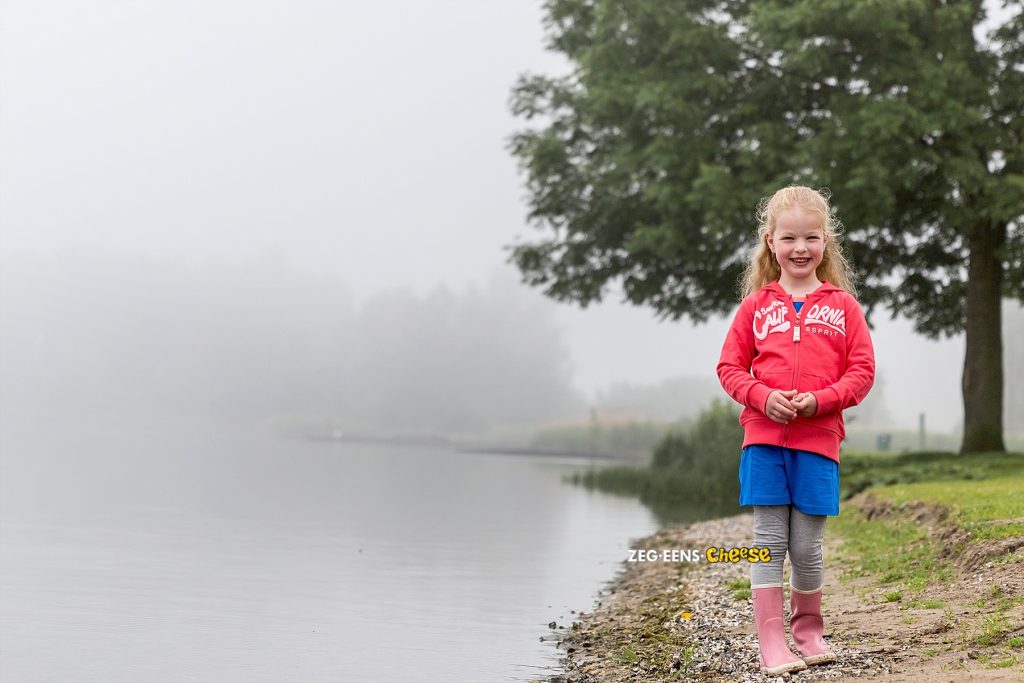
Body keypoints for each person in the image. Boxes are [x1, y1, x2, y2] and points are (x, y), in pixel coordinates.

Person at [716, 185, 875, 675]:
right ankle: (771, 642)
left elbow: (862, 373)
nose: (799, 248)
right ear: (771, 242)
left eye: (810, 237)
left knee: (806, 546)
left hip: (819, 444)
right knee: (768, 539)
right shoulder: (755, 308)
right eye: (789, 238)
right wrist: (763, 397)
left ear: (826, 243)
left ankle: (808, 630)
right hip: (763, 443)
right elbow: (729, 368)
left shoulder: (844, 307)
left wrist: (820, 401)